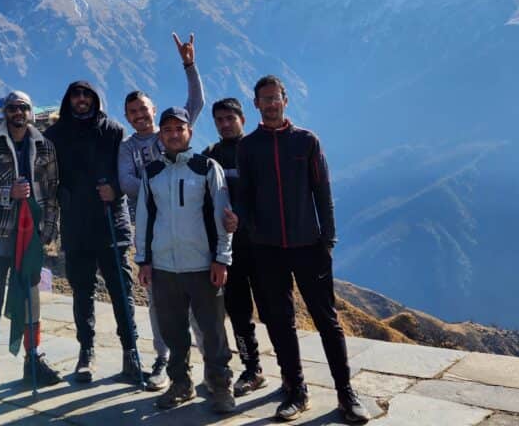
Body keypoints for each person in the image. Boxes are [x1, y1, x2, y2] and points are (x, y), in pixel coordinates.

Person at [234, 75, 369, 423]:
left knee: (328, 321)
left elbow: (322, 191)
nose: (271, 103)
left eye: (275, 97)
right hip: (267, 249)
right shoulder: (248, 147)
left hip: (309, 245)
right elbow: (244, 197)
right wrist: (250, 227)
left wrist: (328, 239)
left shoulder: (306, 141)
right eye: (264, 99)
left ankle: (346, 393)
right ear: (256, 105)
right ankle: (296, 390)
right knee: (280, 322)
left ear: (285, 99)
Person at [117, 32, 205, 390]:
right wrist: (166, 184)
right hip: (150, 235)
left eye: (144, 109)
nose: (139, 116)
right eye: (133, 112)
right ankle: (163, 359)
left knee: (198, 302)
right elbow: (127, 185)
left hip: (190, 228)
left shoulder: (171, 133)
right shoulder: (126, 149)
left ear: (154, 110)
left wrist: (189, 64)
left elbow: (196, 101)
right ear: (126, 117)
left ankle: (212, 361)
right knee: (158, 302)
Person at [0, 91, 62, 407]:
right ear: (4, 112)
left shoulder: (45, 146)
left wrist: (49, 229)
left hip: (31, 237)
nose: (17, 113)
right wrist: (8, 193)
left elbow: (51, 191)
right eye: (11, 108)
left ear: (30, 112)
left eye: (22, 108)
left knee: (30, 300)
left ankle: (33, 357)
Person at [135, 107, 235, 413]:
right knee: (173, 331)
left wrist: (222, 258)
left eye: (179, 128)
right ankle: (181, 384)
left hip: (203, 265)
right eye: (167, 130)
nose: (173, 134)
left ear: (189, 132)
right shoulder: (151, 172)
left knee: (213, 331)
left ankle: (220, 386)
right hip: (165, 267)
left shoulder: (206, 168)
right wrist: (143, 260)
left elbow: (222, 214)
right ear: (160, 136)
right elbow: (144, 218)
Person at [45, 82, 138, 383]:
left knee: (121, 291)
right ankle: (86, 351)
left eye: (87, 95)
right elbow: (46, 172)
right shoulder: (55, 135)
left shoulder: (112, 130)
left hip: (111, 219)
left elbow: (126, 170)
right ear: (68, 99)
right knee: (82, 290)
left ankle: (131, 351)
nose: (81, 100)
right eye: (76, 95)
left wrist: (114, 187)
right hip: (76, 222)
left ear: (95, 99)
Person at [202, 98, 267, 396]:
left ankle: (293, 374)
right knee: (239, 313)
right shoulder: (211, 156)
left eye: (230, 118)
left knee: (275, 313)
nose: (225, 124)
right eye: (219, 120)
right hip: (229, 250)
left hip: (265, 247)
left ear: (242, 118)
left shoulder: (257, 148)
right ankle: (252, 369)